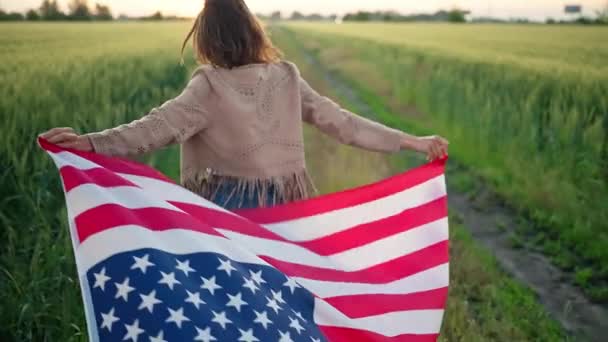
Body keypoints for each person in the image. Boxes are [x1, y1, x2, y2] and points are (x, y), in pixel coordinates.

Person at [39, 0, 448, 210]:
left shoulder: (208, 86)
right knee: (280, 299)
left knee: (231, 309)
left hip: (227, 206)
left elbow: (152, 129)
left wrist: (89, 143)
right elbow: (344, 123)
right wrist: (414, 141)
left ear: (206, 39)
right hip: (289, 204)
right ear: (253, 31)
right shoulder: (287, 76)